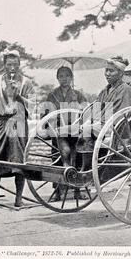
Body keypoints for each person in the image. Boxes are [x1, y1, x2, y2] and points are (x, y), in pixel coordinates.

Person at [0, 50, 36, 209]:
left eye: (15, 65)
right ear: (4, 65)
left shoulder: (26, 83)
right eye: (9, 64)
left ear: (19, 65)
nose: (12, 68)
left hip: (20, 124)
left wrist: (19, 97)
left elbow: (33, 104)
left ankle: (18, 199)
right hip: (3, 123)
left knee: (20, 161)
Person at [43, 66, 87, 201]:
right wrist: (51, 124)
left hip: (74, 131)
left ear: (71, 78)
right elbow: (46, 114)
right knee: (58, 158)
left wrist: (81, 110)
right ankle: (57, 191)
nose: (64, 79)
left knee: (77, 157)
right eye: (61, 76)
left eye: (67, 76)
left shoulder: (78, 94)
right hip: (58, 131)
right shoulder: (52, 95)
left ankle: (77, 190)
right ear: (57, 78)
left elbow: (86, 112)